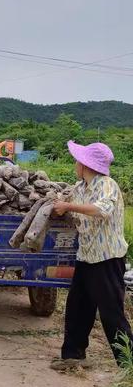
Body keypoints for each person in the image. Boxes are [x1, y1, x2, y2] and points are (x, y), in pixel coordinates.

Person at [51, 140, 133, 370]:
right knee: (78, 307)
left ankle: (128, 364)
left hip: (107, 258)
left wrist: (69, 207)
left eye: (78, 160)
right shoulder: (79, 188)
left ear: (86, 164)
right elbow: (69, 207)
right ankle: (73, 356)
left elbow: (102, 210)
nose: (75, 163)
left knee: (111, 313)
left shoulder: (107, 185)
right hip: (86, 256)